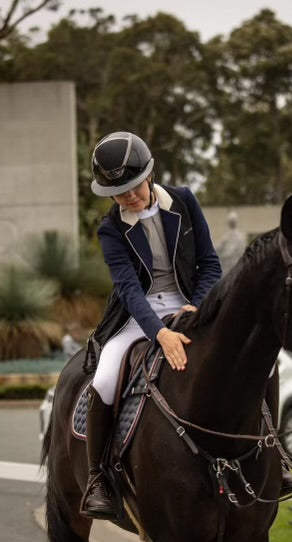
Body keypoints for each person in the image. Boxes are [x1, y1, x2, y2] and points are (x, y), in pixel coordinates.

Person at [81, 131, 222, 517]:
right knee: (106, 376)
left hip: (190, 302)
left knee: (251, 355)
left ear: (150, 173)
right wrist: (159, 332)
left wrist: (196, 308)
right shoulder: (111, 229)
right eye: (119, 192)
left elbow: (209, 263)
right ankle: (97, 479)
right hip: (139, 313)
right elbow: (128, 289)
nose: (128, 196)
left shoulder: (185, 201)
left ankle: (270, 455)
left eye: (132, 186)